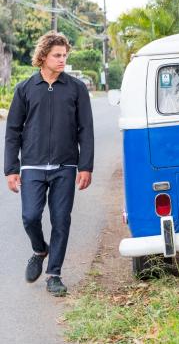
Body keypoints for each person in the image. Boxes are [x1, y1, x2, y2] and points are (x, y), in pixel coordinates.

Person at [4, 31, 94, 297]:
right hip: (32, 166)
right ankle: (39, 249)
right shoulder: (25, 89)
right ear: (43, 56)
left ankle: (54, 274)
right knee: (30, 216)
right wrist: (11, 168)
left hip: (65, 166)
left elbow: (85, 130)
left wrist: (85, 166)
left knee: (61, 220)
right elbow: (13, 131)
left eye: (65, 55)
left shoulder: (76, 88)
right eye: (57, 55)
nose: (62, 60)